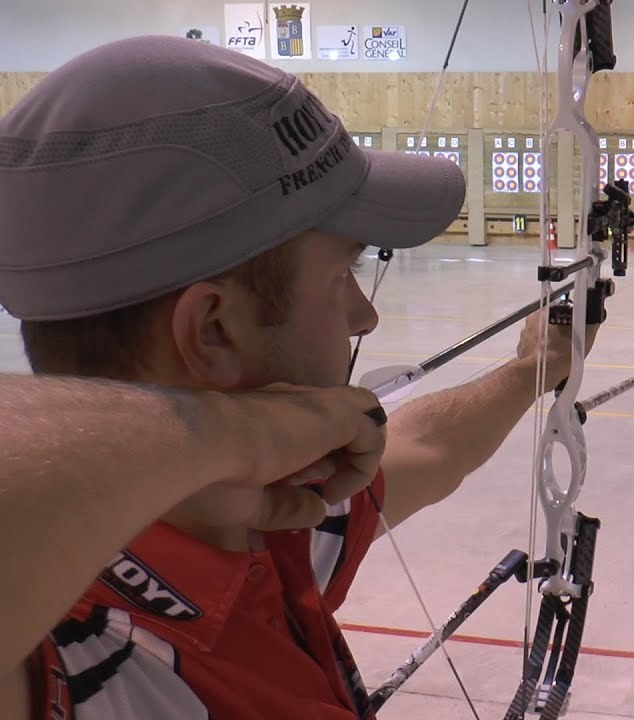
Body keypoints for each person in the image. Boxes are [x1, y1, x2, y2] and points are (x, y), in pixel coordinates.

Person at [0, 34, 597, 719]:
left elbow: (429, 447)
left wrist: (534, 368)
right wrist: (232, 429)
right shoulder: (72, 663)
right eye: (344, 270)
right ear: (214, 331)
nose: (363, 314)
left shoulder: (267, 526)